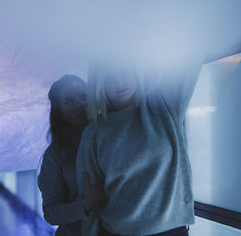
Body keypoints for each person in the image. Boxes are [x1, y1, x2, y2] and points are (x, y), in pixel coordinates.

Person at [76, 56, 204, 236]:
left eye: (123, 70)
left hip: (171, 231)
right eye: (110, 77)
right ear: (99, 84)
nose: (119, 81)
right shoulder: (93, 132)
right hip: (116, 232)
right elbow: (91, 202)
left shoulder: (163, 106)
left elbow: (189, 54)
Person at [37, 75, 106, 236]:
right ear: (60, 113)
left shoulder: (113, 136)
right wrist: (85, 204)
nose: (80, 105)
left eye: (84, 96)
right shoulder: (54, 156)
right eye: (69, 101)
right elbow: (51, 213)